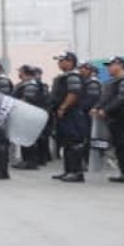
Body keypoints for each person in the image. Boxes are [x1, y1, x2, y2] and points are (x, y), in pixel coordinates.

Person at [48, 51, 89, 183]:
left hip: (72, 113)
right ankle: (68, 170)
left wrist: (63, 107)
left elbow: (73, 93)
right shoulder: (65, 76)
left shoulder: (73, 76)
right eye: (58, 61)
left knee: (74, 143)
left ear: (70, 61)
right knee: (66, 143)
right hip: (65, 114)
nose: (59, 63)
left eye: (61, 60)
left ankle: (76, 173)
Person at [12, 65, 47, 170]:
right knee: (25, 138)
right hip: (26, 115)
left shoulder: (30, 85)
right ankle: (26, 160)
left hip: (28, 115)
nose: (19, 74)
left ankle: (30, 161)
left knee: (29, 139)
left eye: (21, 72)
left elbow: (27, 100)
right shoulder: (26, 84)